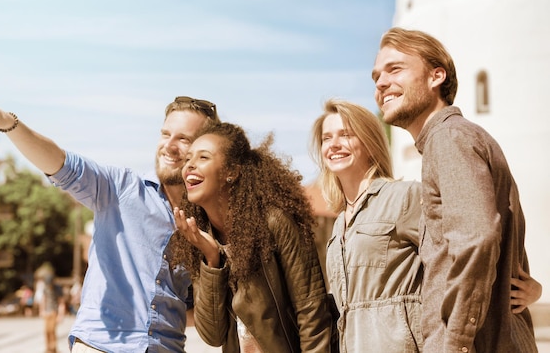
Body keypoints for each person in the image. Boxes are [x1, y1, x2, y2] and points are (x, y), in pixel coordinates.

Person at [0, 91, 220, 353]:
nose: (169, 145)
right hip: (101, 346)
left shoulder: (210, 224)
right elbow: (61, 164)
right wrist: (10, 124)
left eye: (183, 139)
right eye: (165, 134)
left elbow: (199, 315)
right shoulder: (121, 188)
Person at [372, 27, 541, 352]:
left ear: (436, 76)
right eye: (377, 76)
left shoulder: (448, 139)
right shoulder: (459, 138)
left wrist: (455, 342)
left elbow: (477, 237)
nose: (380, 83)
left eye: (395, 69)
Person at [170, 122, 335, 352]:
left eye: (203, 157)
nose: (190, 166)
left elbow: (312, 312)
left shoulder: (275, 223)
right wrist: (212, 260)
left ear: (232, 172)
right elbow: (212, 335)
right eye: (188, 159)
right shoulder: (202, 237)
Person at [309, 99, 424, 352]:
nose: (334, 144)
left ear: (370, 143)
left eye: (346, 135)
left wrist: (524, 284)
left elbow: (466, 245)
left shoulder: (404, 198)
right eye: (327, 138)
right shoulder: (340, 222)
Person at [37, 263, 67, 353]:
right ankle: (48, 348)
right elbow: (43, 299)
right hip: (47, 311)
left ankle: (53, 349)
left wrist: (60, 315)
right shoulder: (45, 288)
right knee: (46, 331)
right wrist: (41, 310)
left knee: (52, 331)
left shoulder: (57, 288)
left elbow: (61, 302)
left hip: (54, 311)